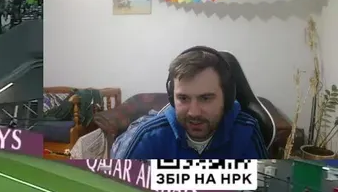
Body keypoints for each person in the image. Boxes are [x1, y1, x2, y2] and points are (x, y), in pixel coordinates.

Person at [111, 47, 267, 160]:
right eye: (183, 98)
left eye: (206, 98)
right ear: (172, 97)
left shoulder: (247, 133)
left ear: (226, 98)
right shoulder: (146, 139)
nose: (194, 112)